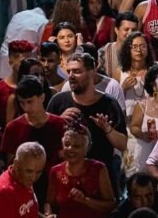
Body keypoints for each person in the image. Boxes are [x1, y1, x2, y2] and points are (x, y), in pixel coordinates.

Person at [47, 52, 128, 196]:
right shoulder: (58, 102)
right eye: (69, 71)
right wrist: (58, 121)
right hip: (66, 178)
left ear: (92, 72)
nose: (71, 76)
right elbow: (45, 140)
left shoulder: (109, 104)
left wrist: (107, 129)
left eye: (77, 71)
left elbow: (122, 144)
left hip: (100, 178)